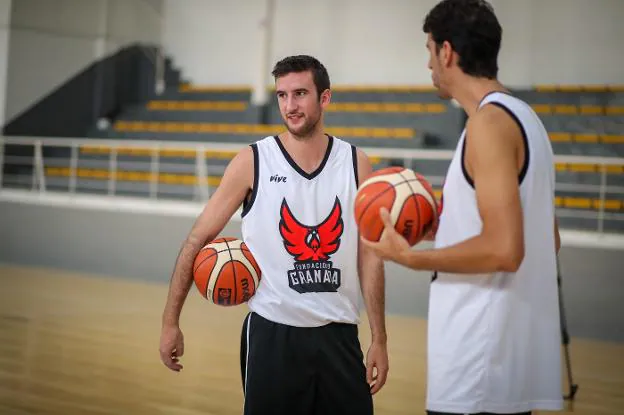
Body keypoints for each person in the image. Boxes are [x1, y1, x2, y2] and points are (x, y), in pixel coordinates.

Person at [362, 1, 563, 414]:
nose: (428, 64)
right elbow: (549, 238)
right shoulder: (526, 119)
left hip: (477, 364)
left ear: (447, 52)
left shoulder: (487, 127)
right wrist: (447, 224)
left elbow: (507, 250)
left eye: (429, 50)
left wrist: (413, 259)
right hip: (502, 362)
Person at [159, 55, 389, 415]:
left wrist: (380, 337)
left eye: (300, 94)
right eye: (282, 95)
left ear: (324, 98)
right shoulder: (254, 161)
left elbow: (370, 256)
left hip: (341, 335)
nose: (290, 106)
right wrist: (170, 321)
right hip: (273, 336)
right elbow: (196, 240)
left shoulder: (357, 164)